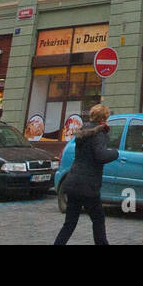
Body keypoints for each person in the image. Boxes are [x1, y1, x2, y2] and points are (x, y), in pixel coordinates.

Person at [54, 103, 119, 245]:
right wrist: (115, 153)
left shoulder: (83, 132)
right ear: (103, 119)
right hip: (88, 185)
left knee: (69, 223)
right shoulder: (98, 134)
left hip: (73, 181)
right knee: (98, 219)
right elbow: (100, 156)